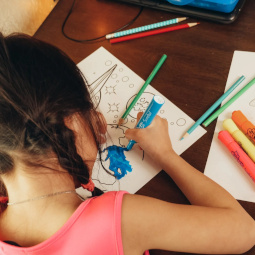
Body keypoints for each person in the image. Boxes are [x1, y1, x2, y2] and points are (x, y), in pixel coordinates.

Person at [0, 32, 254, 255]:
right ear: (68, 124)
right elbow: (244, 231)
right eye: (88, 108)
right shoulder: (120, 221)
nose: (99, 119)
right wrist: (167, 155)